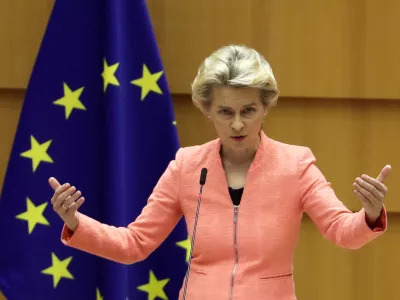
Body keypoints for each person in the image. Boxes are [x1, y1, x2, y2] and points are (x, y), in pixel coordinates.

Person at [49, 44, 391, 300]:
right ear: (207, 110)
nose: (238, 123)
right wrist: (76, 223)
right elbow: (134, 244)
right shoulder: (186, 166)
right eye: (226, 111)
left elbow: (341, 231)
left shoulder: (295, 165)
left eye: (249, 110)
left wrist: (370, 214)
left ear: (265, 108)